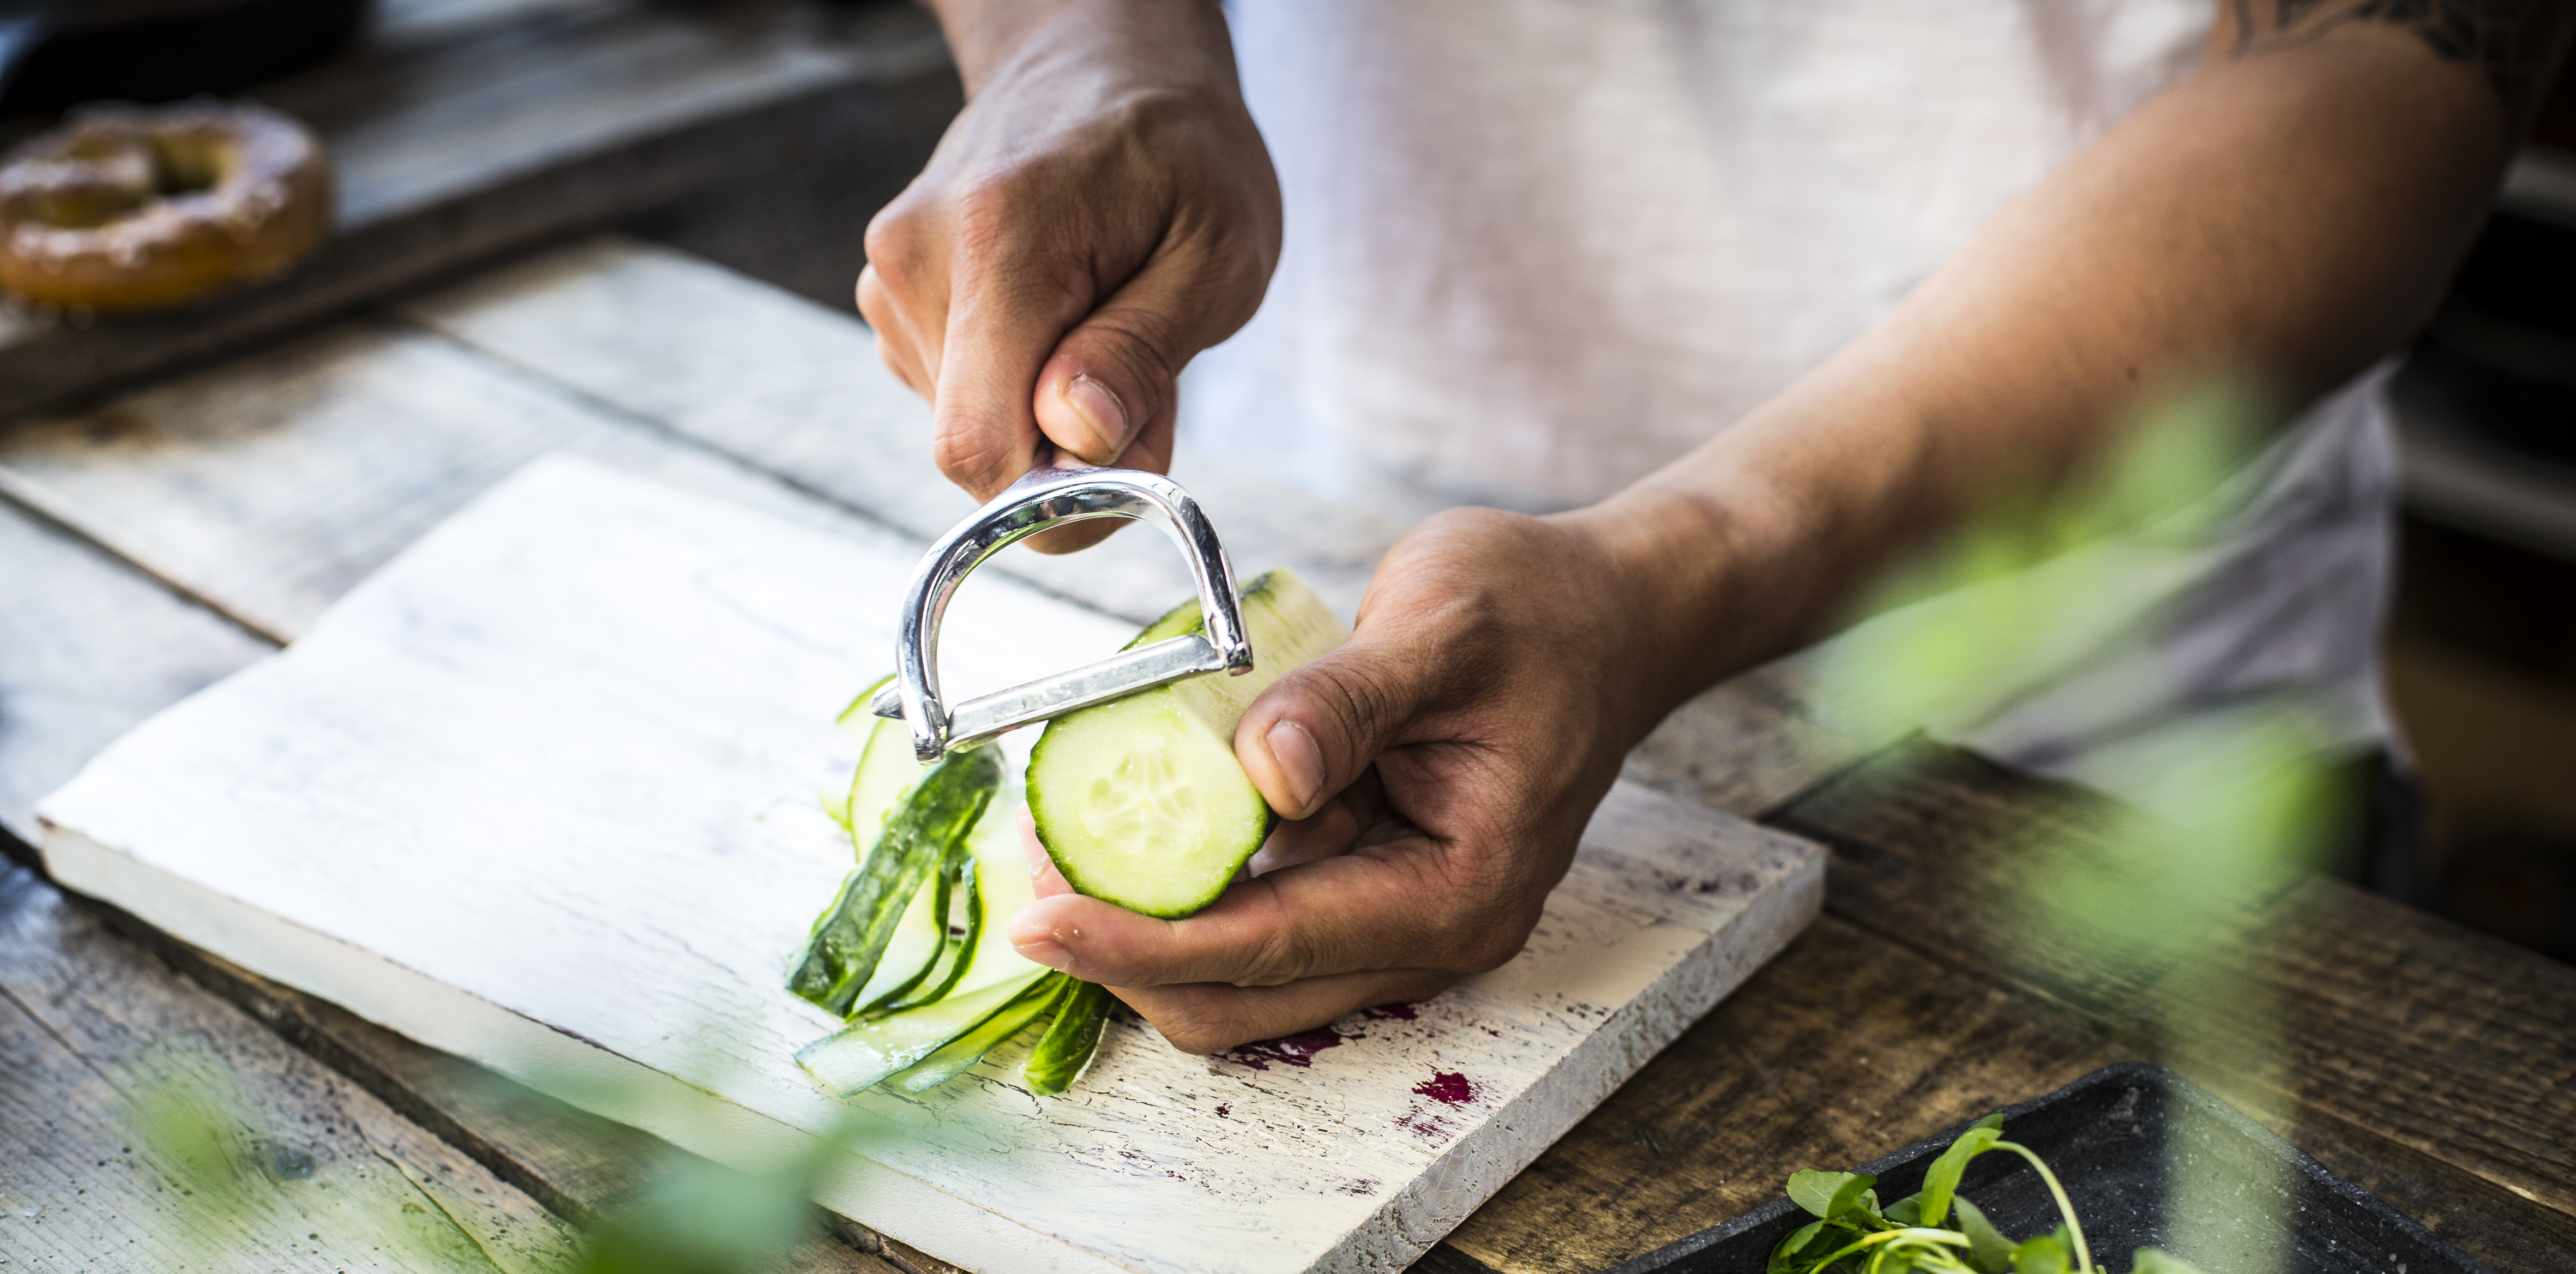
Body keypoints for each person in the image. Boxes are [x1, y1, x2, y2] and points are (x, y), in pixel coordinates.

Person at [854, 0, 2571, 1054]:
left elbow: (2393, 56)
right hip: (1328, 495)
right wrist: (1082, 44)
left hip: (2092, 756)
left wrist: (1676, 568)